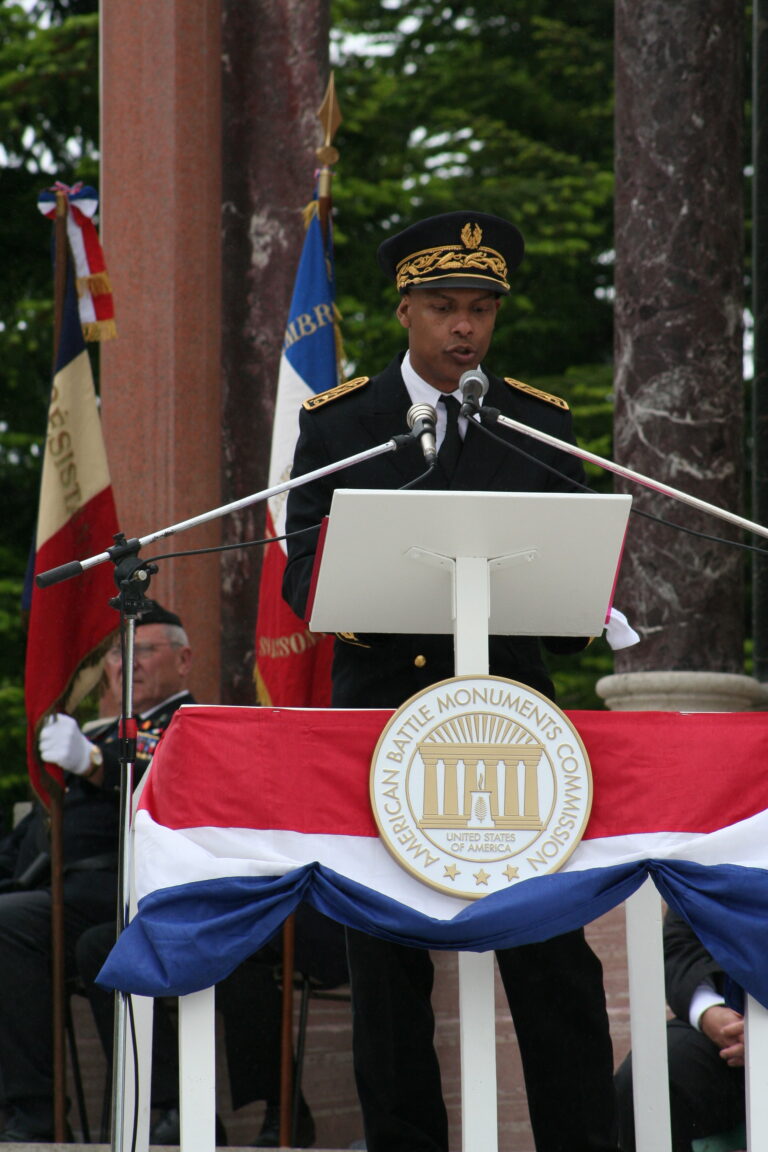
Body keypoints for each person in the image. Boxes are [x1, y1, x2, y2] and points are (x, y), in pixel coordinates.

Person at [282, 210, 619, 1152]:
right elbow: (302, 571)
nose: (463, 328)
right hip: (385, 718)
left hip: (510, 724)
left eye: (479, 310)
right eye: (443, 308)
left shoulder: (536, 421)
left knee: (552, 955)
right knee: (386, 966)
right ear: (404, 312)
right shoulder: (339, 421)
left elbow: (570, 559)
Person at [0, 601, 194, 1142]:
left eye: (144, 650)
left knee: (50, 932)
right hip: (61, 889)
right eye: (116, 652)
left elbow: (176, 779)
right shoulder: (100, 731)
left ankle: (154, 1113)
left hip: (136, 887)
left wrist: (97, 763)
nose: (125, 664)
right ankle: (32, 1114)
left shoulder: (190, 723)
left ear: (183, 661)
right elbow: (33, 835)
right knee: (10, 922)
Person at [615, 908, 745, 1152]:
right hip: (734, 1031)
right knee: (650, 1076)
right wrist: (710, 1013)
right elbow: (681, 944)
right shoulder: (713, 868)